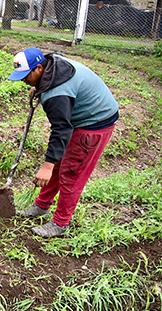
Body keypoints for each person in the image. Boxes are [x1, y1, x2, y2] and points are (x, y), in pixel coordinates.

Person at [8, 48, 119, 237]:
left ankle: (60, 223)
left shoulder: (57, 95)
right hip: (79, 117)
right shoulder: (52, 63)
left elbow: (61, 130)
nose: (23, 80)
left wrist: (46, 166)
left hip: (95, 122)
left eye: (26, 75)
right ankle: (42, 206)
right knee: (59, 164)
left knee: (71, 173)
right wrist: (39, 87)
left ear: (40, 68)